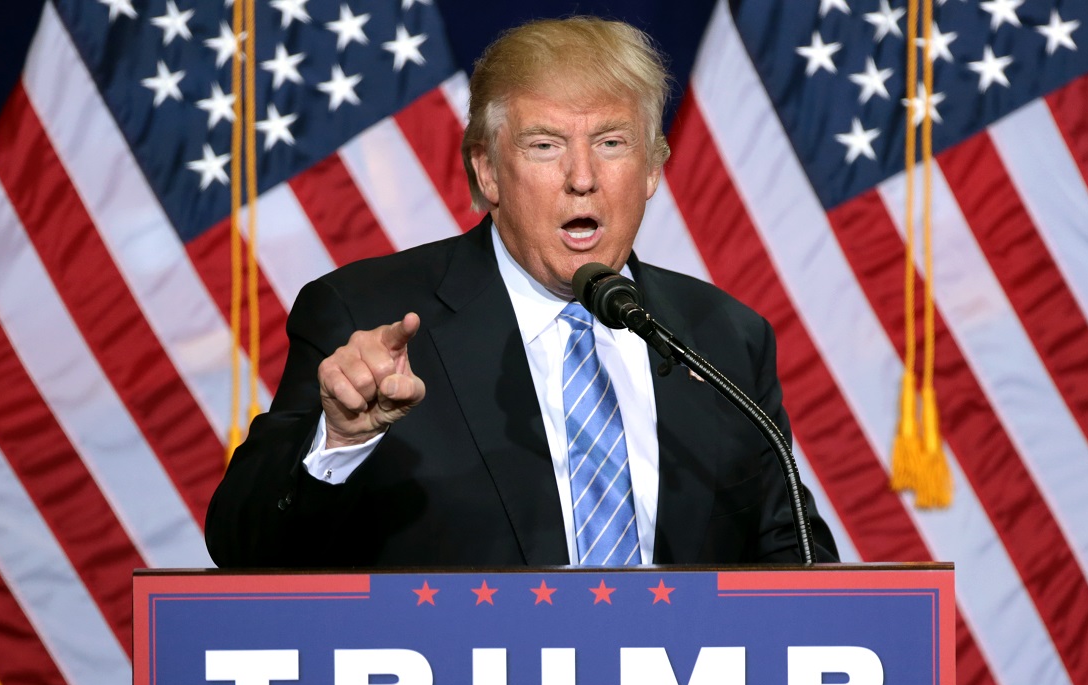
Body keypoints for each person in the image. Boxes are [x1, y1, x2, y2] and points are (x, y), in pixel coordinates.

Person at [205, 16, 839, 568]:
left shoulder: (723, 336)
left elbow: (796, 566)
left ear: (651, 169)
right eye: (545, 145)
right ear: (487, 170)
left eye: (612, 143)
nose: (582, 178)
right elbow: (244, 548)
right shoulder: (364, 315)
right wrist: (341, 441)